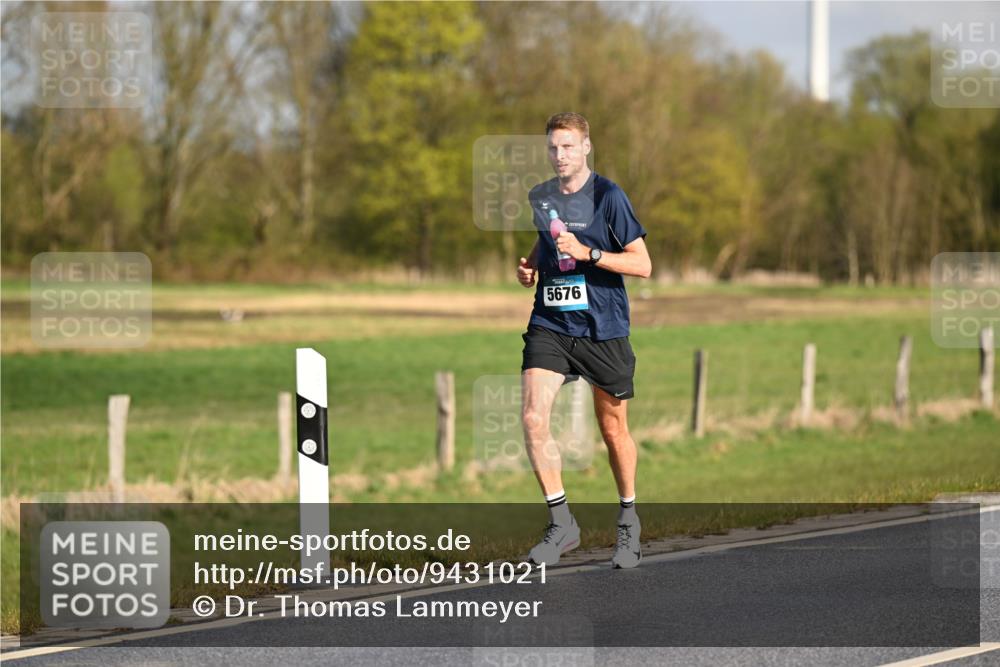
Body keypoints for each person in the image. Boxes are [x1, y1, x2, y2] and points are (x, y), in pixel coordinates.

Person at [517, 112, 652, 569]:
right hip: (551, 324)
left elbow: (643, 265)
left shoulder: (609, 197)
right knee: (534, 417)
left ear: (586, 148)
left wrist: (590, 253)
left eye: (569, 146)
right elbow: (548, 239)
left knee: (613, 431)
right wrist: (532, 265)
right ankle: (562, 524)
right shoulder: (541, 197)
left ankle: (629, 522)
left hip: (603, 328)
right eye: (554, 147)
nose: (560, 155)